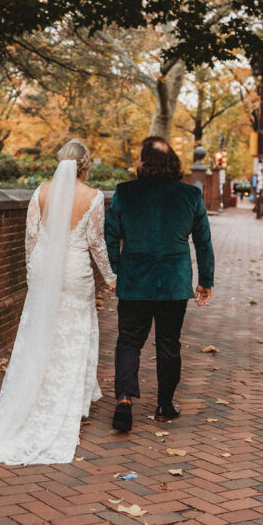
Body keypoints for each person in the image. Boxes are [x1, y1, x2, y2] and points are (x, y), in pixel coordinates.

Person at [0, 139, 116, 506]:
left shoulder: (41, 191)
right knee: (75, 332)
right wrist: (110, 276)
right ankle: (70, 399)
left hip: (44, 269)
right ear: (85, 166)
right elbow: (96, 243)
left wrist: (34, 275)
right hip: (74, 272)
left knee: (39, 331)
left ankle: (31, 393)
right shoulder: (94, 196)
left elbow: (31, 237)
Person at [105, 136, 215, 433]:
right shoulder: (190, 195)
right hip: (172, 282)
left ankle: (125, 399)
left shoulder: (125, 193)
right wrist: (206, 280)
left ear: (143, 162)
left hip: (135, 280)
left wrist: (116, 271)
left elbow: (110, 236)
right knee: (169, 344)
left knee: (129, 341)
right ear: (174, 163)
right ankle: (165, 406)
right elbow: (203, 241)